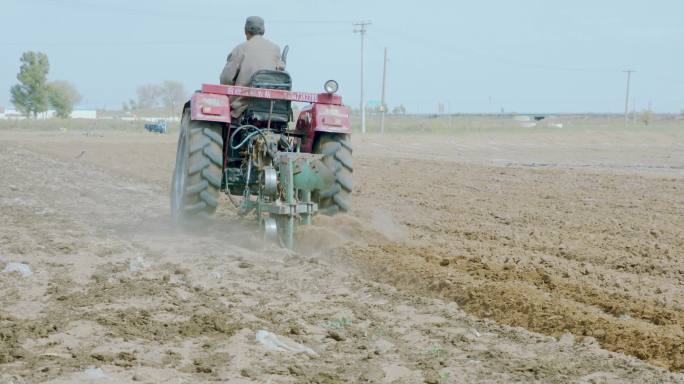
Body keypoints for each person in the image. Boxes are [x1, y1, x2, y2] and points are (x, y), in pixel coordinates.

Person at [220, 16, 284, 119]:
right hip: (272, 108)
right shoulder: (275, 49)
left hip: (242, 108)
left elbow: (225, 80)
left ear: (245, 30)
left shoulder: (240, 49)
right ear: (263, 30)